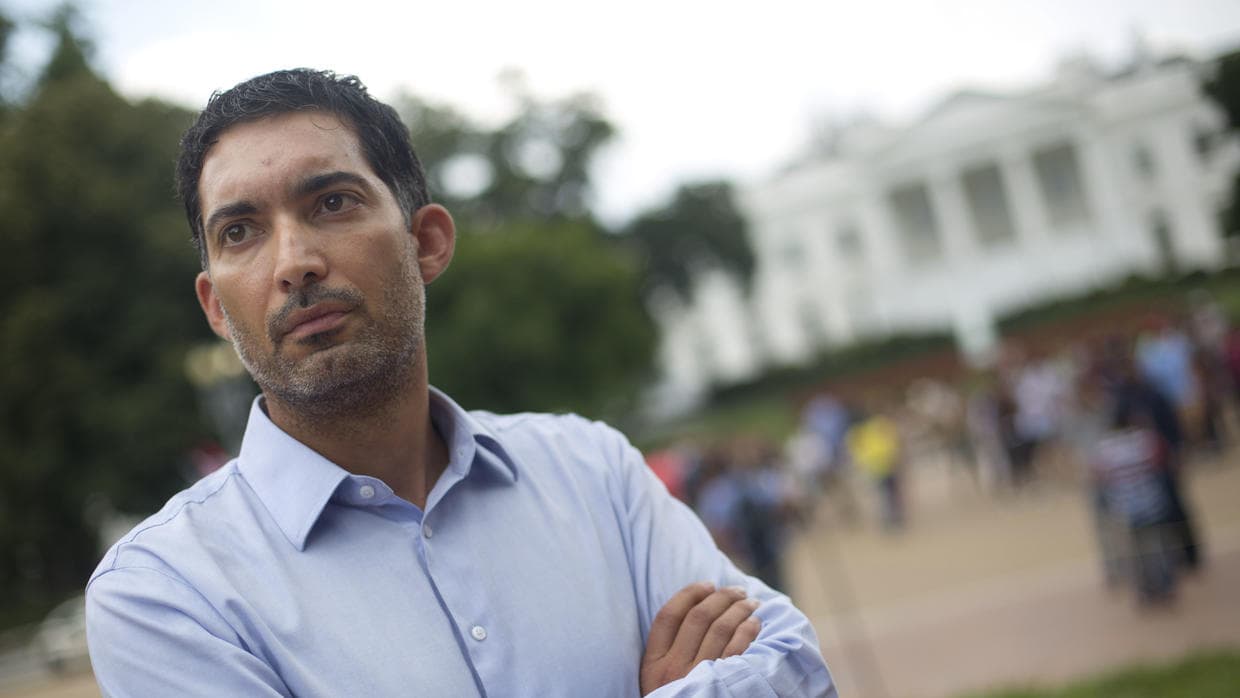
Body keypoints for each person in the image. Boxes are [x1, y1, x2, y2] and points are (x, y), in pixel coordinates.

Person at [83, 70, 835, 697]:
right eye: (240, 232)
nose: (294, 262)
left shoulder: (593, 473)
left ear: (428, 242)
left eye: (332, 203)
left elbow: (793, 665)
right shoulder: (168, 594)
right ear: (216, 306)